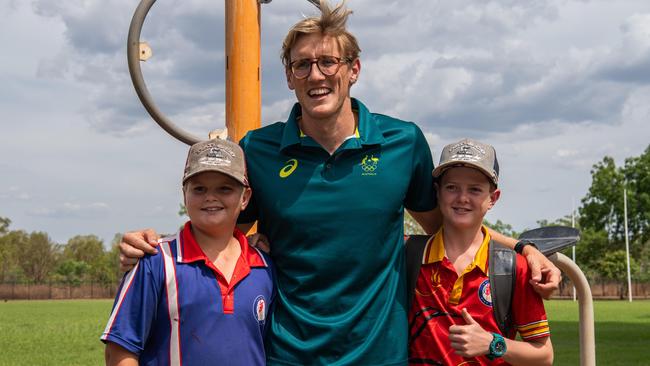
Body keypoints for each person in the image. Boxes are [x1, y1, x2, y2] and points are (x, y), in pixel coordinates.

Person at [118, 1, 560, 364]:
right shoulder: (259, 149)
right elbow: (216, 226)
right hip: (289, 352)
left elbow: (448, 228)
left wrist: (524, 247)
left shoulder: (401, 141)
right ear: (289, 77)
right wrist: (153, 247)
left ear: (353, 69)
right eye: (302, 65)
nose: (316, 75)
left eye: (328, 61)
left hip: (379, 354)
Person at [101, 138, 275, 365]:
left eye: (225, 188)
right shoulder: (155, 261)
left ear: (245, 198)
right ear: (185, 194)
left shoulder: (263, 266)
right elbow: (120, 351)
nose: (211, 197)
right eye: (199, 189)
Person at [408, 138, 553, 365]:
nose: (462, 198)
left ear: (493, 198)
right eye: (452, 187)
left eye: (475, 190)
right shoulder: (409, 255)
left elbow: (544, 355)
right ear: (438, 192)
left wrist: (493, 343)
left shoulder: (514, 267)